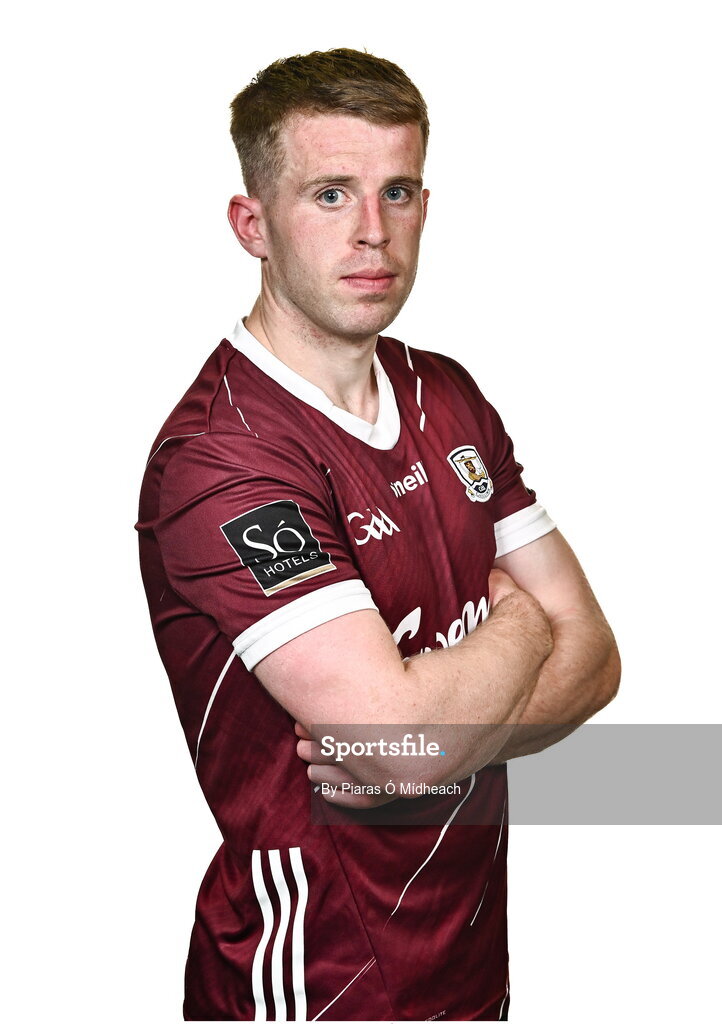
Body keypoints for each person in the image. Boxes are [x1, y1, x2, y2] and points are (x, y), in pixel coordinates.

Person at [136, 47, 620, 1022]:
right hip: (314, 984)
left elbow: (598, 660)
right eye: (328, 194)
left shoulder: (445, 392)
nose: (371, 232)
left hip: (472, 970)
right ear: (252, 224)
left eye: (395, 191)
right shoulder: (223, 458)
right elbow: (396, 745)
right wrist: (519, 633)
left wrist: (440, 734)